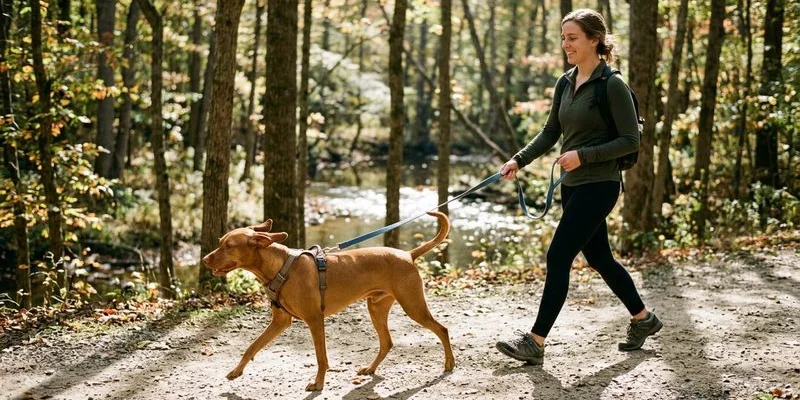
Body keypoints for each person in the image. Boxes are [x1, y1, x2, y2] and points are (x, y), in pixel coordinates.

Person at [495, 8, 662, 365]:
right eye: (563, 37)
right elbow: (551, 131)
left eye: (572, 37)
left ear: (594, 40)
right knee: (600, 257)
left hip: (600, 185)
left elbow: (631, 141)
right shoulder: (566, 82)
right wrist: (518, 160)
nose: (565, 44)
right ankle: (644, 318)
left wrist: (583, 156)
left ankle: (535, 342)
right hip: (572, 185)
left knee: (558, 256)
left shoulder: (612, 84)